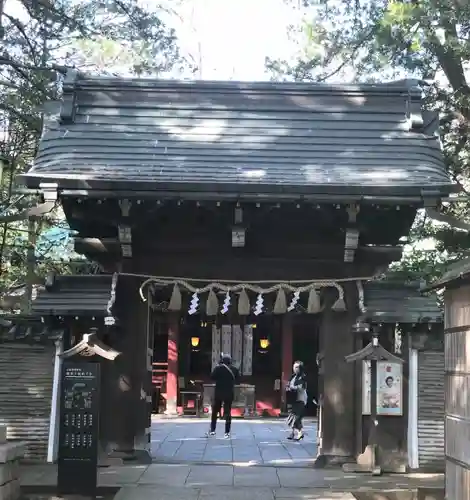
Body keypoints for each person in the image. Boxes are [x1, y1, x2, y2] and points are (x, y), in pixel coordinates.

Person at [206, 353, 240, 438]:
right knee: (228, 412)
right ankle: (227, 432)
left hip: (219, 393)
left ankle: (213, 430)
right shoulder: (234, 369)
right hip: (229, 393)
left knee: (215, 412)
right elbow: (238, 379)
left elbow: (212, 377)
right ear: (230, 361)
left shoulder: (218, 368)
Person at [285, 360, 307, 441]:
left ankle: (298, 433)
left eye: (297, 367)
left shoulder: (303, 377)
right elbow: (288, 384)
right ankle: (293, 432)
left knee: (296, 417)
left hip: (300, 399)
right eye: (294, 367)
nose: (295, 369)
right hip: (292, 398)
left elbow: (301, 388)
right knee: (292, 415)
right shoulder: (293, 377)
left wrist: (292, 388)